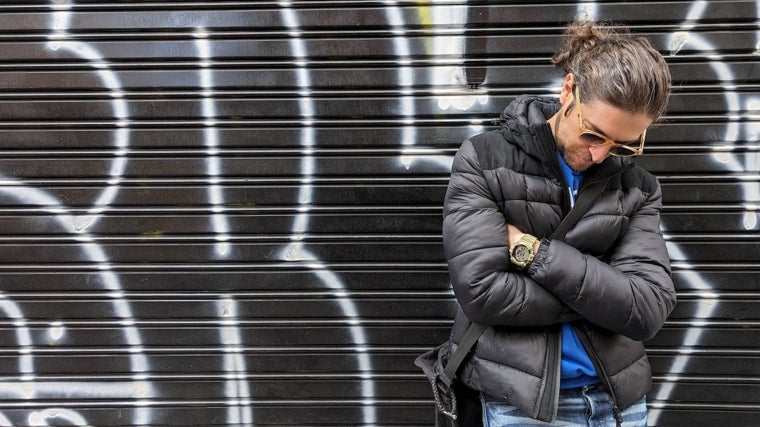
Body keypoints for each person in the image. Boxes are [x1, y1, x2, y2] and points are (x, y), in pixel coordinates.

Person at [441, 19, 677, 426]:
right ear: (568, 90)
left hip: (619, 404)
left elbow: (647, 308)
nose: (603, 155)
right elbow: (483, 293)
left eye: (624, 144)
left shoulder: (637, 187)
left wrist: (532, 251)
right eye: (592, 134)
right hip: (522, 406)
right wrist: (604, 294)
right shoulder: (486, 160)